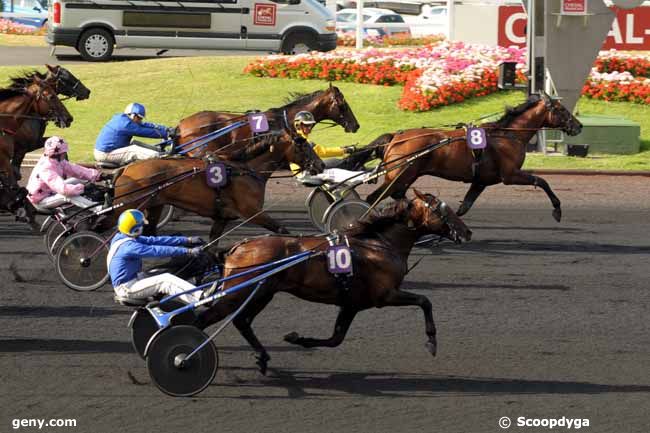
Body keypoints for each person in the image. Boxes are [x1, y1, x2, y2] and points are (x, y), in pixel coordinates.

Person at [109, 209, 207, 305]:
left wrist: (186, 240)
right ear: (136, 229)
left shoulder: (123, 236)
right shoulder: (130, 247)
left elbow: (155, 240)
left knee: (162, 271)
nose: (143, 227)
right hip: (127, 287)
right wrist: (187, 251)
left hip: (134, 278)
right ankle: (200, 297)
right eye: (141, 225)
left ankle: (191, 294)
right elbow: (157, 250)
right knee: (166, 280)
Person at [289, 111, 374, 186]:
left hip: (305, 171)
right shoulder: (302, 141)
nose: (309, 128)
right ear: (298, 125)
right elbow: (323, 152)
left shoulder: (298, 138)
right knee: (335, 172)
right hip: (306, 174)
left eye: (310, 125)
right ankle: (365, 176)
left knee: (333, 166)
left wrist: (343, 149)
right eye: (306, 125)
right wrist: (344, 150)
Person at [26, 136, 108, 211]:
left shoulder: (56, 160)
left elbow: (75, 169)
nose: (66, 153)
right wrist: (83, 188)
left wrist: (98, 175)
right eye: (64, 152)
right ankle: (99, 208)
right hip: (40, 201)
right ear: (58, 154)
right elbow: (64, 190)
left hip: (50, 191)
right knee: (67, 196)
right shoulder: (46, 169)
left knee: (79, 179)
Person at [94, 103, 172, 165]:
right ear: (132, 115)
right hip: (105, 154)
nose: (140, 120)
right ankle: (162, 157)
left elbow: (144, 125)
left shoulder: (123, 118)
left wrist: (165, 129)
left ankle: (159, 151)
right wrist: (166, 134)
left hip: (108, 150)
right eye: (139, 118)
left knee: (135, 143)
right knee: (134, 150)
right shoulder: (125, 125)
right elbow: (145, 132)